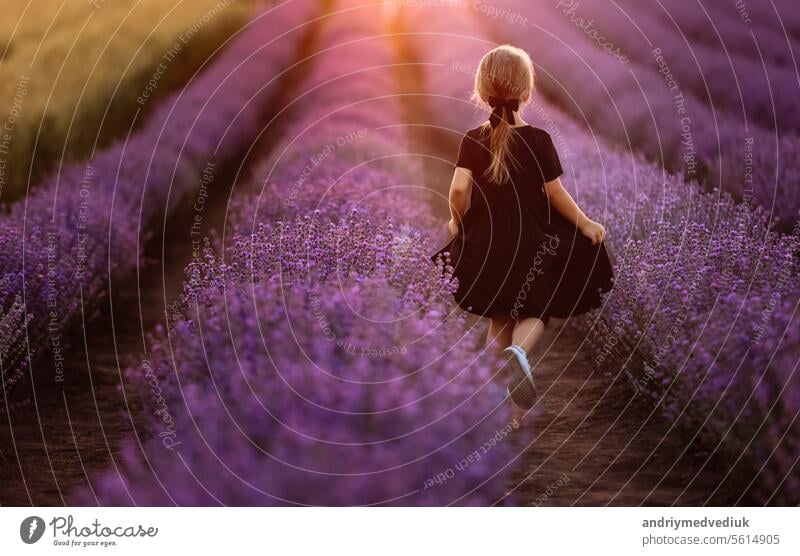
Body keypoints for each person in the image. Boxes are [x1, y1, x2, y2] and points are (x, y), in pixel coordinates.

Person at [433, 44, 614, 409]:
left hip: (487, 245)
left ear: (482, 91)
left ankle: (494, 403)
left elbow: (457, 188)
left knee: (500, 312)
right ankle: (519, 350)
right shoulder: (539, 140)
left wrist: (457, 220)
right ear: (526, 92)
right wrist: (586, 223)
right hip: (531, 243)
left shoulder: (473, 138)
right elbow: (554, 193)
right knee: (533, 311)